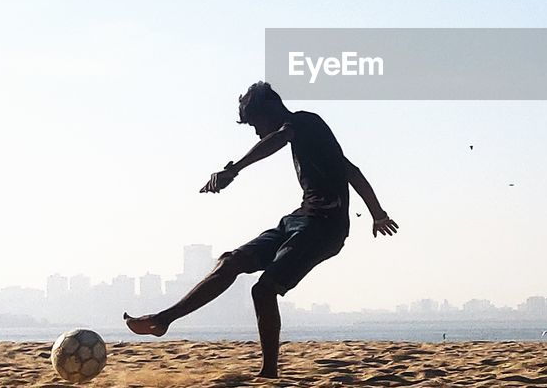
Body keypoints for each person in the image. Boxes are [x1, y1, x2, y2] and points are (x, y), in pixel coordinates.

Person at [124, 81, 398, 379]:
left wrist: (233, 169)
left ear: (270, 111)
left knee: (263, 290)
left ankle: (269, 373)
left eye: (255, 123)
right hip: (297, 220)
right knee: (230, 262)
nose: (256, 131)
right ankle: (163, 320)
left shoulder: (304, 122)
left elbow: (279, 139)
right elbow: (351, 171)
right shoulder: (312, 137)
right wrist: (377, 214)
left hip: (325, 228)